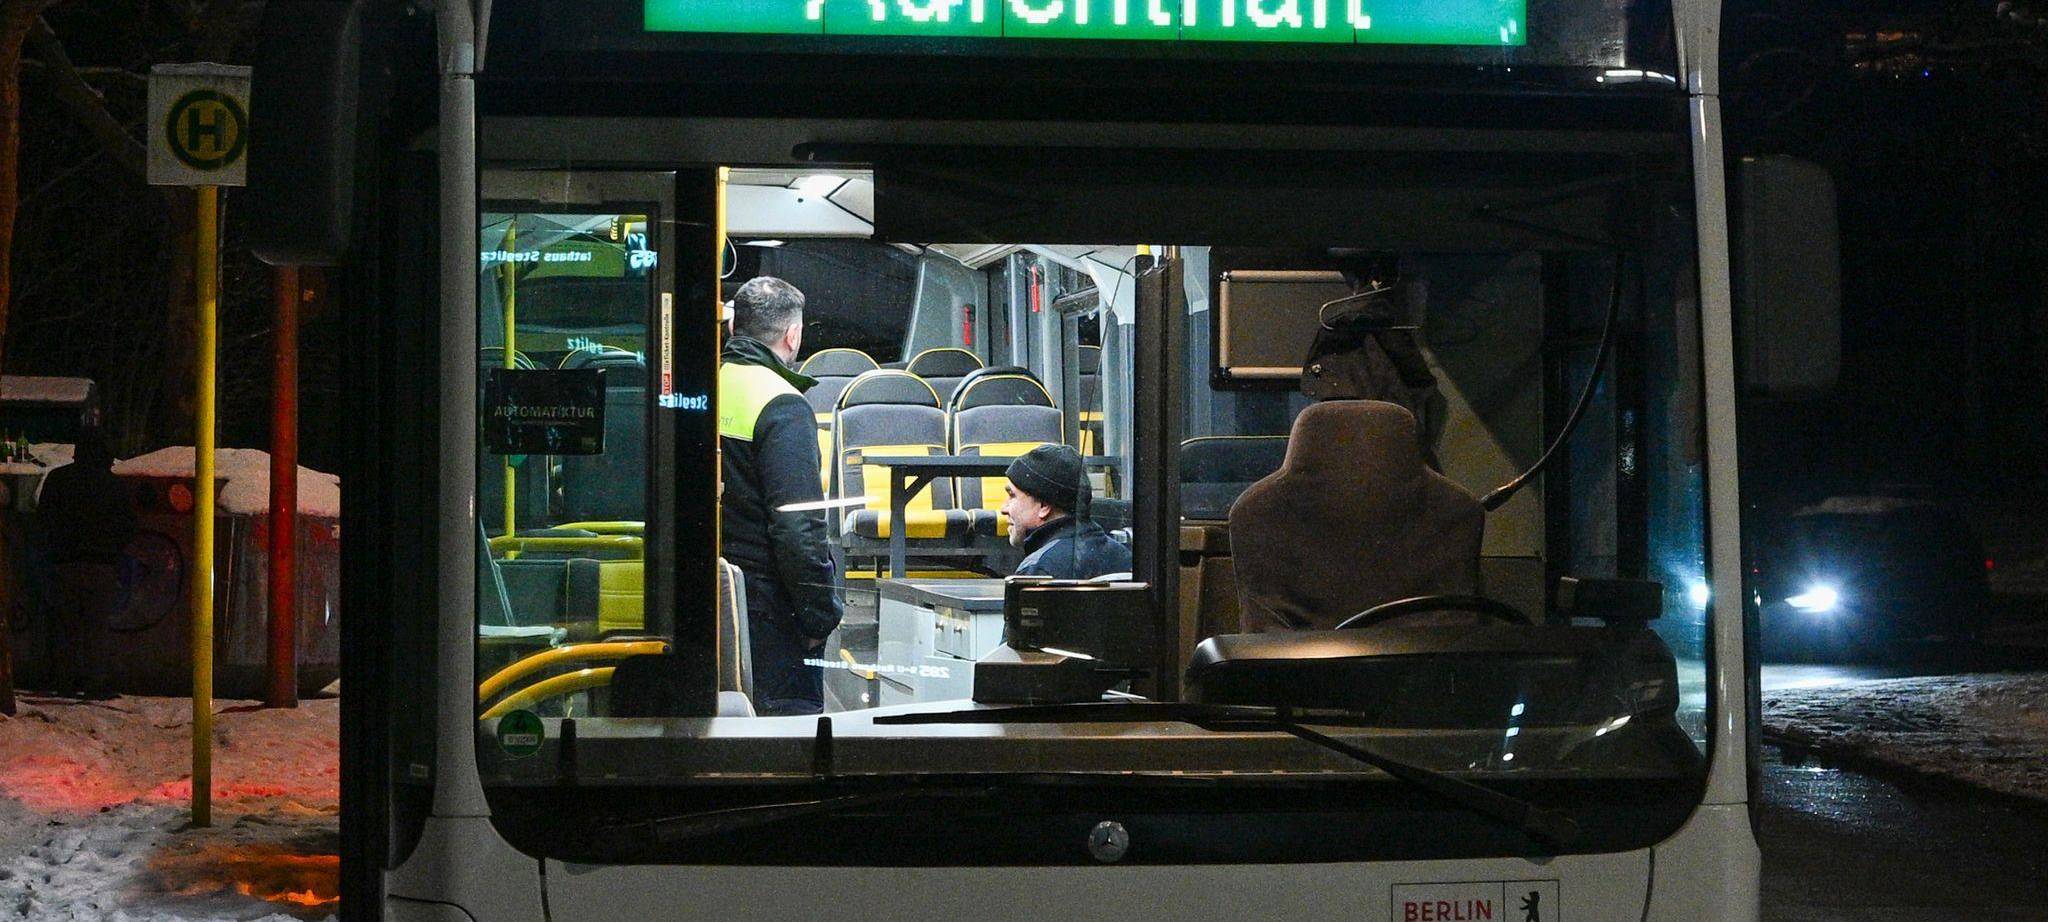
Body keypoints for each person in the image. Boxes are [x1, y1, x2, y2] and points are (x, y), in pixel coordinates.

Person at [717, 276, 842, 715]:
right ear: (794, 335)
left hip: (713, 594)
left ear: (735, 330)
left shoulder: (706, 387)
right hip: (770, 608)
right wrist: (817, 616)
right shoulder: (783, 405)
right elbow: (799, 528)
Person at [34, 430, 136, 699]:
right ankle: (94, 683)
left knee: (65, 626)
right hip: (101, 565)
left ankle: (64, 680)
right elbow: (128, 525)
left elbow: (43, 519)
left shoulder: (59, 480)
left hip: (64, 564)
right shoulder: (114, 486)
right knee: (96, 629)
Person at [1000, 444, 1131, 580]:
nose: (1004, 509)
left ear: (1044, 506)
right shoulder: (1123, 556)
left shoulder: (1038, 571)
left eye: (1012, 495)